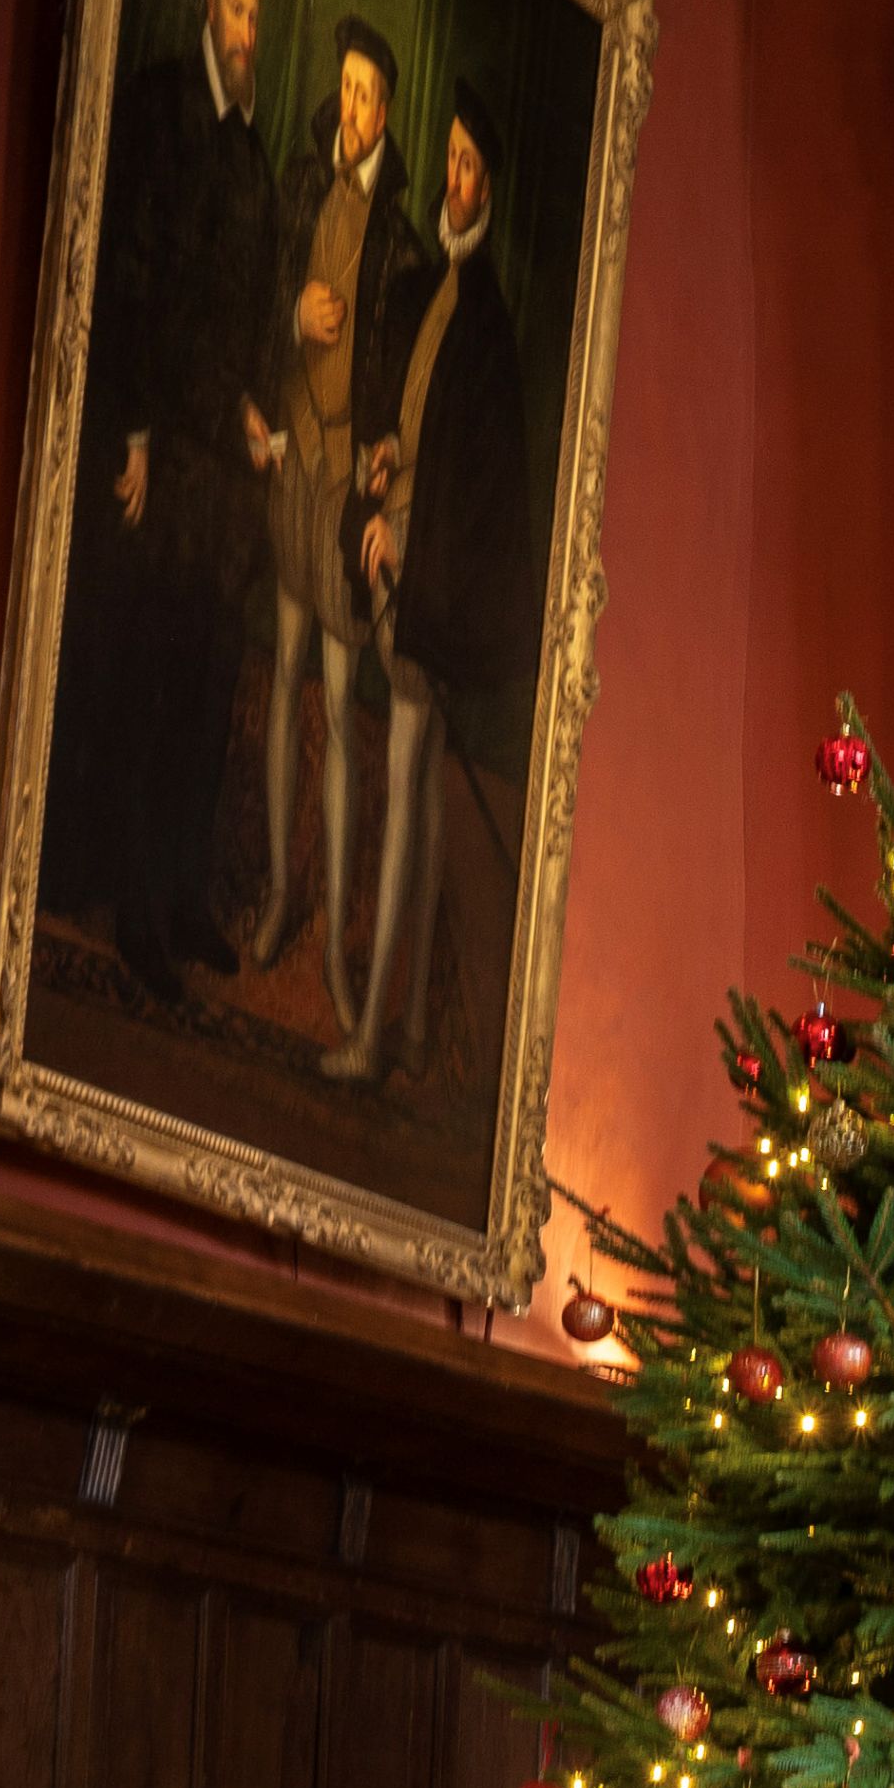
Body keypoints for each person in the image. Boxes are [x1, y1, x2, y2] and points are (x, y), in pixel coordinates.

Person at [45, 0, 282, 993]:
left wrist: (262, 411)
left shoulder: (250, 150)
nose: (244, 37)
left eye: (255, 24)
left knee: (206, 686)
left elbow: (257, 310)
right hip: (164, 455)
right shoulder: (156, 106)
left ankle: (182, 896)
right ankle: (136, 903)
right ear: (206, 8)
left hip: (227, 475)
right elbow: (135, 277)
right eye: (234, 14)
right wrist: (136, 428)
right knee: (144, 682)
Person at [331, 82, 527, 1085]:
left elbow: (480, 486)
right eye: (445, 162)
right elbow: (393, 417)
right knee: (407, 786)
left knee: (416, 786)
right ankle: (397, 1024)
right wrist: (378, 463)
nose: (451, 182)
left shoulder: (489, 327)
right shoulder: (415, 290)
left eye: (467, 168)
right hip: (391, 548)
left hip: (433, 581)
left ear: (486, 185)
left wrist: (417, 555)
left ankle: (377, 1033)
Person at [248, 11, 423, 1008]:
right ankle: (279, 895)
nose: (351, 109)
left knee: (341, 706)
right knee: (281, 675)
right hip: (291, 462)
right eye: (344, 90)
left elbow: (399, 388)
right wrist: (292, 315)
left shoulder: (399, 235)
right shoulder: (303, 184)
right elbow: (264, 293)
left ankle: (340, 957)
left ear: (388, 112)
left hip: (345, 479)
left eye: (368, 96)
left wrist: (378, 451)